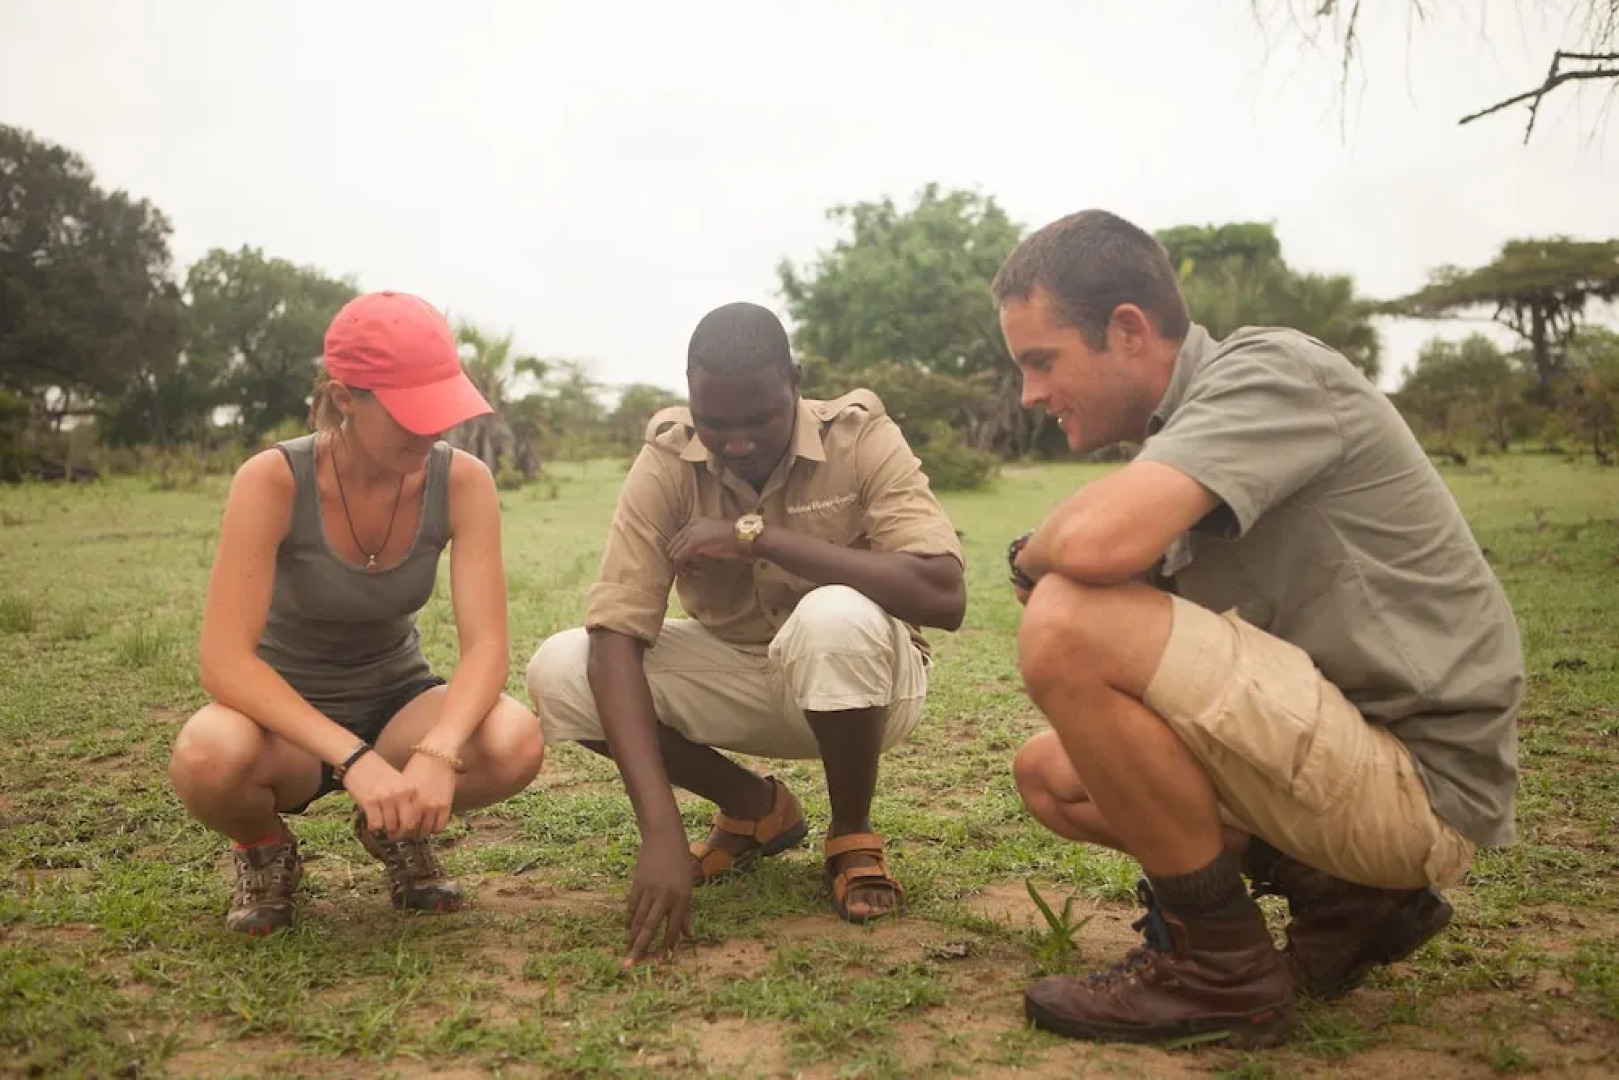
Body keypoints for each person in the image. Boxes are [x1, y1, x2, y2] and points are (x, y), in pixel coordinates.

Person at [993, 210, 1522, 1047]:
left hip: (1420, 779)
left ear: (1127, 330)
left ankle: (1220, 973)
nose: (1030, 393)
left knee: (1065, 619)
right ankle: (1346, 897)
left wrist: (1033, 560)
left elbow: (1091, 548)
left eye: (1041, 360)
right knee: (1052, 775)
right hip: (1347, 753)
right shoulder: (1184, 444)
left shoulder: (1271, 372)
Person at [525, 301, 966, 965]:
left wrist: (755, 538)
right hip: (738, 671)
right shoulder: (669, 458)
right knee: (562, 666)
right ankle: (755, 809)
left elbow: (943, 594)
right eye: (715, 423)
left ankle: (851, 835)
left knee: (832, 614)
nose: (735, 443)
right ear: (690, 400)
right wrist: (660, 832)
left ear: (793, 380)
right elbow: (617, 631)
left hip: (869, 682)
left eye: (758, 418)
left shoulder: (858, 433)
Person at [169, 290, 546, 936]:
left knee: (514, 740)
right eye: (409, 415)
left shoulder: (462, 481)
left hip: (398, 701)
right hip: (282, 720)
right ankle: (263, 847)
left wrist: (438, 750)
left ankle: (395, 831)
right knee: (206, 757)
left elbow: (486, 648)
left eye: (440, 412)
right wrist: (353, 761)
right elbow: (224, 661)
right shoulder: (273, 481)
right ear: (345, 399)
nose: (430, 432)